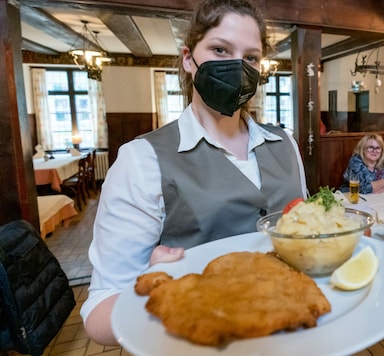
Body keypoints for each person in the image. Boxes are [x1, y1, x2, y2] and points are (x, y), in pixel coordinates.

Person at [80, 0, 308, 345]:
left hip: (297, 337)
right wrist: (164, 283)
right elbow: (99, 315)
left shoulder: (285, 143)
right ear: (189, 59)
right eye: (220, 49)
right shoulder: (142, 159)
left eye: (250, 57)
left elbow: (304, 238)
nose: (237, 66)